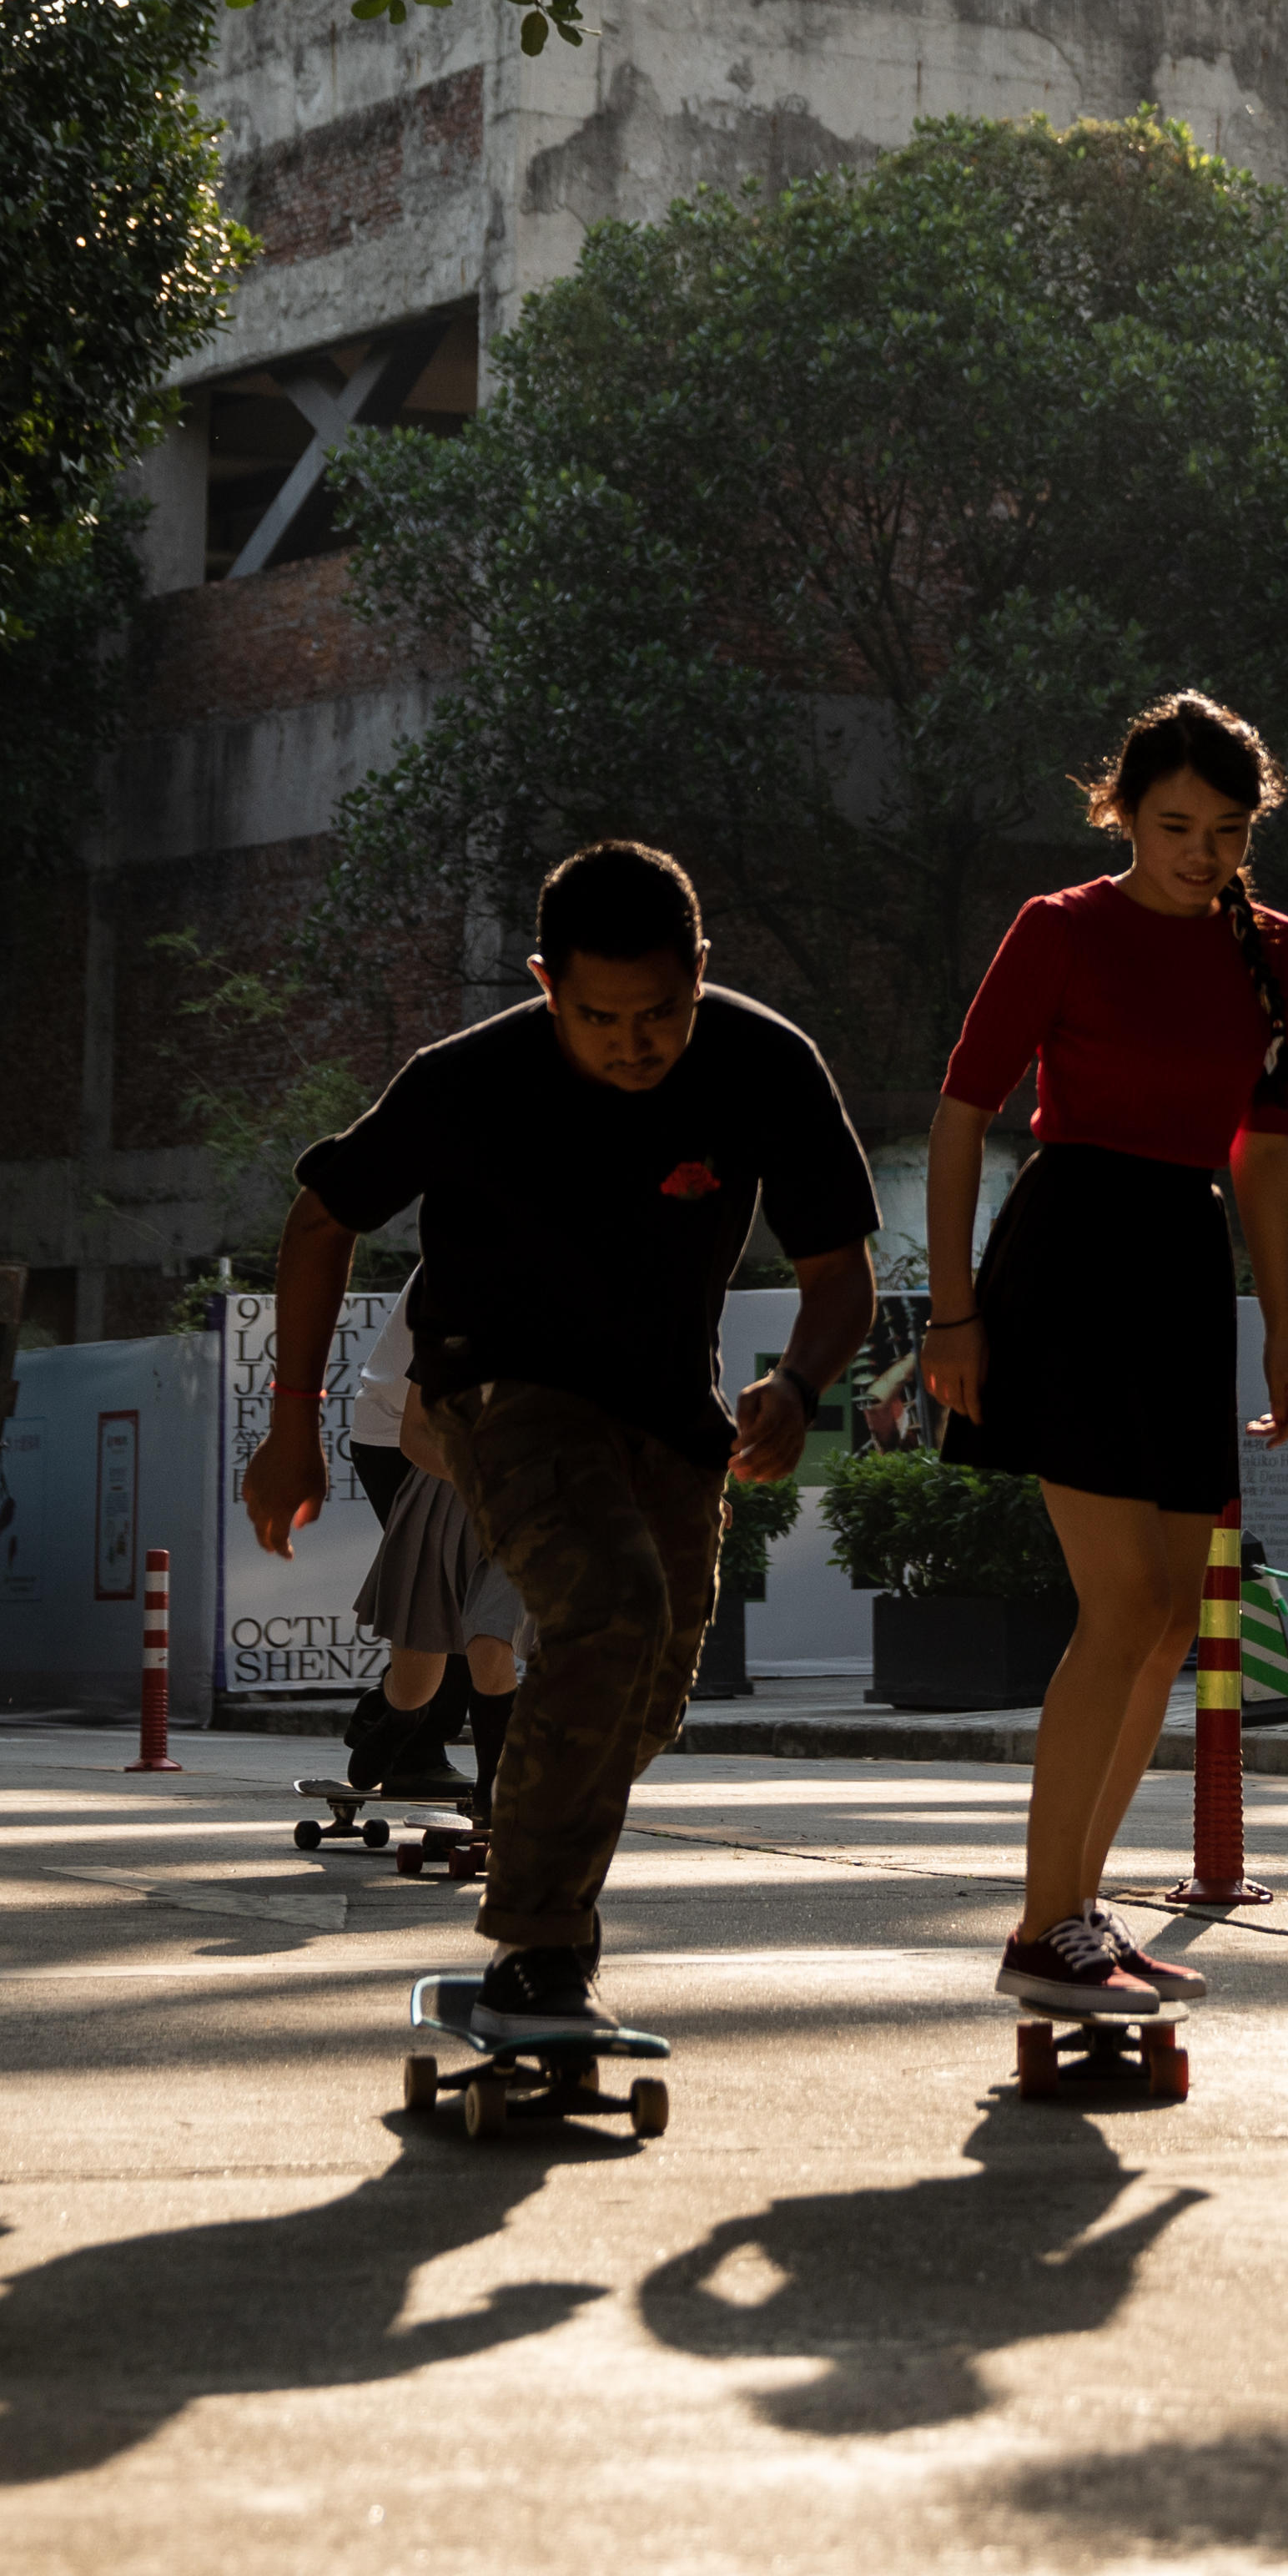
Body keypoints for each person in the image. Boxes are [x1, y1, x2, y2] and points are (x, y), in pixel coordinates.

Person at [247, 842, 873, 2046]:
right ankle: (542, 1945)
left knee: (644, 1690)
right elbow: (323, 1217)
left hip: (666, 1405)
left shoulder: (763, 1062)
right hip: (496, 1385)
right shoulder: (469, 1080)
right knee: (612, 1607)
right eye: (598, 1018)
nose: (634, 1044)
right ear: (544, 982)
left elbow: (836, 1272)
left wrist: (798, 1382)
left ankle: (537, 1877)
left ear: (701, 970)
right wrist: (291, 1427)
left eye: (661, 1014)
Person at [916, 689, 1288, 2023]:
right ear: (1121, 814)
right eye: (1172, 826)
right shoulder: (1061, 928)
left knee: (1165, 1631)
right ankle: (1043, 1928)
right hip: (1071, 1252)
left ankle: (1077, 1917)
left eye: (1225, 828)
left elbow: (1263, 1149)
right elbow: (963, 1115)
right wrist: (952, 1312)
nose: (1201, 852)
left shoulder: (1274, 951)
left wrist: (1281, 1328)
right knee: (1129, 1606)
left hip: (1182, 1266)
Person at [345, 1389, 521, 1813]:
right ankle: (394, 1715)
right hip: (444, 1496)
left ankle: (493, 1793)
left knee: (491, 1645)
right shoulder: (452, 1327)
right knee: (416, 1684)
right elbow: (413, 1435)